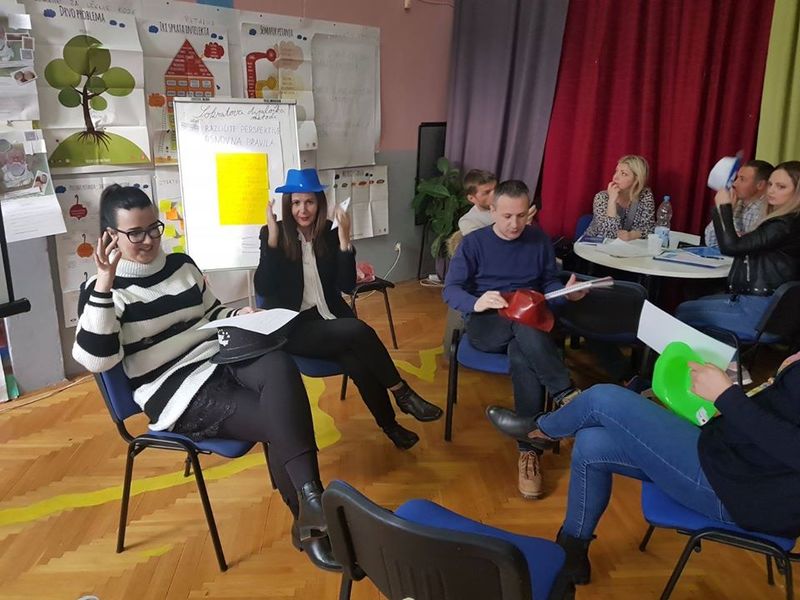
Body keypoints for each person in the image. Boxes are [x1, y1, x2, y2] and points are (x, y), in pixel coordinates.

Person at [72, 184, 340, 572]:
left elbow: (211, 314)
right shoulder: (102, 290)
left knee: (279, 363)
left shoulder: (181, 265)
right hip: (174, 389)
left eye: (153, 229)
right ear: (110, 236)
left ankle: (311, 509)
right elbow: (98, 359)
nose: (148, 241)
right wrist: (103, 280)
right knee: (281, 418)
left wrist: (238, 316)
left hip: (219, 359)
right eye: (135, 233)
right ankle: (312, 518)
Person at [486, 350, 800, 586]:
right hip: (732, 457)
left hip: (739, 490)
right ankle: (572, 552)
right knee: (591, 444)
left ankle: (539, 432)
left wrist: (726, 396)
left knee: (602, 399)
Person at [254, 168, 442, 451]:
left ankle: (391, 427)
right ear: (287, 205)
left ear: (319, 203)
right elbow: (264, 287)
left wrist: (344, 239)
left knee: (359, 363)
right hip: (295, 327)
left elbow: (345, 285)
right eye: (296, 203)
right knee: (357, 330)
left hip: (330, 319)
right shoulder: (274, 234)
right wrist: (271, 239)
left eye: (309, 202)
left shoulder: (328, 232)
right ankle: (402, 393)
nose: (302, 210)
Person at [443, 179, 588, 500]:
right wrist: (476, 302)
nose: (514, 224)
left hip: (528, 320)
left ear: (529, 211)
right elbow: (451, 289)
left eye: (521, 216)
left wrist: (565, 294)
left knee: (523, 349)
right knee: (524, 326)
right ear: (492, 211)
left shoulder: (538, 240)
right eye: (507, 216)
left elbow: (549, 282)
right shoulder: (474, 243)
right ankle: (566, 395)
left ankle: (529, 450)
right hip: (487, 323)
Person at [676, 161, 800, 380]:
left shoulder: (783, 225)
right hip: (770, 308)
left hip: (760, 310)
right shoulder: (788, 223)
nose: (771, 190)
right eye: (771, 184)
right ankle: (732, 367)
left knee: (684, 312)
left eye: (781, 187)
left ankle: (727, 372)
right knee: (696, 305)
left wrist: (723, 208)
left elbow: (731, 246)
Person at [583, 155, 655, 240]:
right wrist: (611, 201)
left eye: (623, 174)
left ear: (636, 179)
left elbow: (649, 228)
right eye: (616, 171)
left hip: (627, 246)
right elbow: (609, 235)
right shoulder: (601, 197)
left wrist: (632, 235)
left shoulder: (645, 196)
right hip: (594, 244)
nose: (615, 177)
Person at [703, 160, 772, 248]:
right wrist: (725, 211)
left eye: (742, 179)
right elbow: (710, 242)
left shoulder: (766, 210)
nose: (734, 184)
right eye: (737, 178)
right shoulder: (735, 203)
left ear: (760, 185)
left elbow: (747, 248)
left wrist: (726, 213)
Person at [458, 169, 497, 236]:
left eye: (496, 189)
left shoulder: (509, 205)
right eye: (487, 192)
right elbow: (480, 242)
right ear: (471, 198)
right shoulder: (468, 221)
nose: (495, 194)